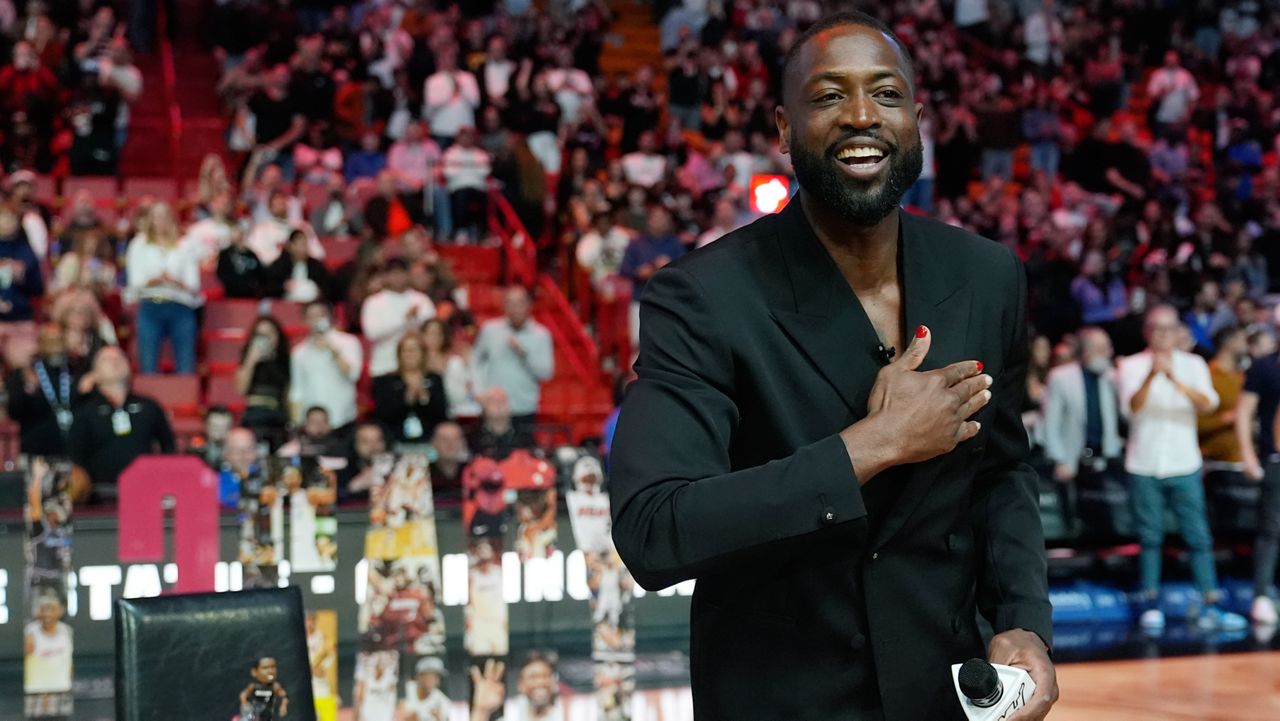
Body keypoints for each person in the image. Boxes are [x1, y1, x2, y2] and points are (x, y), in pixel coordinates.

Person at [609, 14, 1057, 720]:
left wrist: (1025, 618)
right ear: (784, 129)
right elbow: (654, 529)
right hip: (783, 699)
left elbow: (1002, 473)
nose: (859, 116)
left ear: (917, 118)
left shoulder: (988, 275)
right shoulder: (704, 296)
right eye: (827, 97)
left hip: (947, 696)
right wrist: (871, 446)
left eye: (885, 94)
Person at [1117, 304, 1245, 632]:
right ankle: (1151, 603)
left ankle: (1210, 604)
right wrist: (1151, 375)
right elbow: (1130, 409)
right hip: (1144, 462)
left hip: (1184, 461)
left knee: (1198, 536)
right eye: (1157, 329)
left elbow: (1208, 404)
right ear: (1148, 332)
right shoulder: (1130, 365)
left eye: (1169, 329)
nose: (1163, 335)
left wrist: (1174, 378)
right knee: (1149, 536)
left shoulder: (1193, 364)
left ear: (1177, 332)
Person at [1041, 327, 1124, 535]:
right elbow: (1050, 422)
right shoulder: (1061, 377)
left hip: (1105, 458)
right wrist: (1059, 459)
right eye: (1102, 348)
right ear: (1087, 351)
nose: (1108, 353)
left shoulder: (1112, 377)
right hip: (1072, 459)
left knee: (1106, 521)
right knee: (1076, 520)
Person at [68, 346, 175, 502]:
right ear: (94, 373)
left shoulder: (149, 406)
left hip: (144, 494)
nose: (115, 361)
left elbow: (169, 447)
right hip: (100, 496)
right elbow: (75, 456)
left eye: (120, 357)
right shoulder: (85, 412)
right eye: (107, 359)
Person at [1236, 321, 1280, 625]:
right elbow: (1244, 411)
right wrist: (1248, 455)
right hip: (1275, 457)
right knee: (1271, 530)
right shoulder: (1265, 366)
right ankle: (1262, 596)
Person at [125, 201, 201, 374]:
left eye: (165, 216)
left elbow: (193, 285)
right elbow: (135, 282)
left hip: (180, 307)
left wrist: (173, 281)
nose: (161, 221)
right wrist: (156, 279)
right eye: (156, 217)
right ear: (150, 220)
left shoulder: (185, 245)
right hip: (150, 306)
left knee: (186, 368)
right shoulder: (139, 244)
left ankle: (184, 399)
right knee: (148, 367)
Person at [473, 286, 554, 430]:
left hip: (524, 407)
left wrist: (524, 354)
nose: (515, 308)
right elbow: (476, 363)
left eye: (519, 303)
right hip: (493, 409)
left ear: (529, 305)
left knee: (523, 452)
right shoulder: (490, 330)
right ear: (504, 306)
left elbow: (546, 373)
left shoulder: (541, 334)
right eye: (510, 303)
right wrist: (479, 393)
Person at [6, 323, 87, 457]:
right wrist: (28, 388)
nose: (55, 345)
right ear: (40, 343)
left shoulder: (77, 369)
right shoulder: (25, 372)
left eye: (59, 339)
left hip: (74, 450)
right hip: (37, 451)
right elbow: (13, 411)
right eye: (50, 340)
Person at [290, 301, 362, 430]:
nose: (316, 321)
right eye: (311, 317)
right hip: (313, 423)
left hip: (343, 417)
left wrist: (332, 349)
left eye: (320, 315)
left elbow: (353, 374)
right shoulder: (299, 352)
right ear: (305, 321)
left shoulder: (349, 342)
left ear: (330, 318)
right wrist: (298, 421)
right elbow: (297, 390)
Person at [361, 257, 436, 377]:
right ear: (385, 276)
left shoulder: (421, 300)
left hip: (418, 367)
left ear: (408, 274)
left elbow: (432, 330)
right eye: (393, 273)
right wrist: (404, 319)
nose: (398, 277)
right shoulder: (373, 302)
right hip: (384, 366)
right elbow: (372, 333)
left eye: (402, 272)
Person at [373, 333, 448, 446]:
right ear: (399, 354)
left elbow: (441, 414)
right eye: (406, 350)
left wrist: (424, 398)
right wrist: (407, 399)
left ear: (423, 353)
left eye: (414, 350)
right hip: (395, 439)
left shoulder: (434, 379)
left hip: (429, 439)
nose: (410, 354)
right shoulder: (386, 380)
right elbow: (383, 415)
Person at [0, 203, 44, 368]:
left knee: (27, 365)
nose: (6, 223)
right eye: (2, 218)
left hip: (20, 321)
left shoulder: (26, 252)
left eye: (10, 218)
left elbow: (38, 289)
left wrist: (23, 277)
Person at [237, 316, 291, 447]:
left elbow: (289, 392)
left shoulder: (286, 361)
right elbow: (240, 389)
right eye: (260, 335)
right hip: (255, 416)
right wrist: (251, 360)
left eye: (270, 333)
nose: (266, 339)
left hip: (278, 416)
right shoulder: (248, 360)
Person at [1199, 326, 1247, 464]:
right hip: (1215, 460)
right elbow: (1195, 421)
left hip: (1241, 459)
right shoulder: (1208, 376)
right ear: (1228, 343)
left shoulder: (1241, 376)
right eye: (1241, 339)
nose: (1245, 343)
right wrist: (1226, 418)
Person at [264, 228, 333, 303]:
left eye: (305, 244)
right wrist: (284, 286)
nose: (304, 248)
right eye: (301, 244)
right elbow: (268, 286)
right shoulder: (279, 265)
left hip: (312, 304)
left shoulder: (316, 266)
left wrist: (318, 291)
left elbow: (328, 286)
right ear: (291, 246)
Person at [469, 386, 535, 461]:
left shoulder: (524, 437)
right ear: (484, 407)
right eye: (494, 401)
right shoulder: (473, 438)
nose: (499, 405)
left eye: (503, 401)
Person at [337, 421, 387, 501]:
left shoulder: (396, 469)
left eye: (378, 440)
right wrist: (352, 488)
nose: (373, 446)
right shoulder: (344, 470)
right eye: (366, 442)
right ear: (355, 445)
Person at [216, 226, 266, 299]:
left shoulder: (251, 254)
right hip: (231, 293)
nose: (236, 237)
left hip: (250, 294)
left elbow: (259, 273)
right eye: (233, 234)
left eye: (238, 234)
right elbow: (221, 272)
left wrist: (255, 285)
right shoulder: (225, 254)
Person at [429, 421, 469, 502]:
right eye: (444, 439)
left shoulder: (475, 473)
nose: (450, 444)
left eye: (455, 439)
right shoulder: (422, 474)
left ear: (463, 443)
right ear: (433, 443)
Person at [401, 656, 450, 721]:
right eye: (430, 676)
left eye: (436, 677)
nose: (433, 681)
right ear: (419, 677)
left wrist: (439, 719)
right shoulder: (406, 688)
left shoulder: (443, 702)